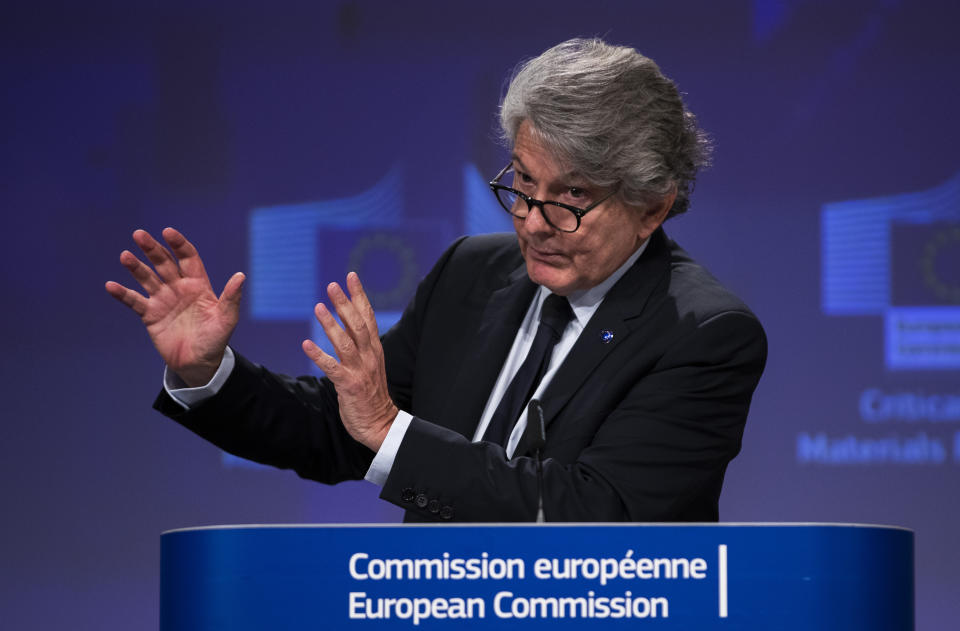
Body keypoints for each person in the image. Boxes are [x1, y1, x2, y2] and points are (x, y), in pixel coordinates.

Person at [106, 38, 766, 522]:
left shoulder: (703, 334)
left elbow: (594, 510)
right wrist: (208, 372)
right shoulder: (471, 275)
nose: (533, 223)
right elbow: (340, 432)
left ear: (652, 205)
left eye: (570, 198)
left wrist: (391, 430)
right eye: (522, 185)